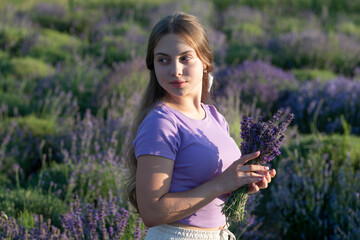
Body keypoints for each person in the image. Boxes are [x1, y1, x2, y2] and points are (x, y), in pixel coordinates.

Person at [125, 12, 276, 240]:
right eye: (163, 60)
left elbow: (209, 186)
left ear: (205, 61)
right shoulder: (161, 122)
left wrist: (241, 184)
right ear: (153, 66)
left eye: (185, 58)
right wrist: (222, 183)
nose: (175, 70)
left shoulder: (215, 117)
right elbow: (152, 212)